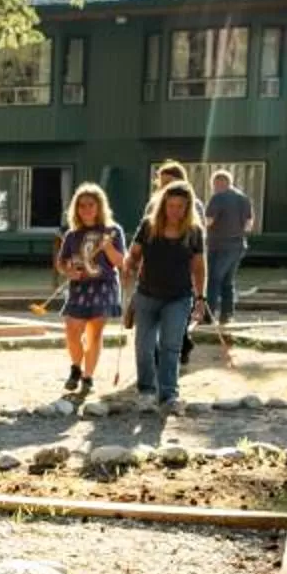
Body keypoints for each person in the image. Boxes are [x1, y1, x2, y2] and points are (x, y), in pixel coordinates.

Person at [122, 178, 210, 410]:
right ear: (163, 205)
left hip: (179, 297)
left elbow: (199, 267)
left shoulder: (193, 231)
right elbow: (133, 255)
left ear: (188, 207)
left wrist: (201, 298)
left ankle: (169, 395)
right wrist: (129, 265)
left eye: (180, 207)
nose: (175, 211)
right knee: (144, 346)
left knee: (171, 346)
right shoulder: (148, 227)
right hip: (147, 295)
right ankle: (146, 391)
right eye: (171, 206)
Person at [52, 184, 127, 395]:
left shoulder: (113, 231)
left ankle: (88, 377)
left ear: (99, 206)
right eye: (81, 205)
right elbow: (62, 262)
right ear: (76, 209)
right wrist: (69, 272)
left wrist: (107, 247)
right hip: (79, 286)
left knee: (94, 332)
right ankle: (76, 368)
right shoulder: (72, 235)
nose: (86, 209)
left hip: (104, 286)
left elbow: (121, 262)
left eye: (91, 205)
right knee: (72, 328)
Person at [203, 170, 254, 326]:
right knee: (228, 282)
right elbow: (249, 225)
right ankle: (226, 316)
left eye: (214, 184)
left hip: (219, 246)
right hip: (238, 245)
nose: (213, 188)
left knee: (213, 280)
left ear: (219, 183)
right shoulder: (244, 198)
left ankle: (208, 316)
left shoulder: (218, 197)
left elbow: (209, 221)